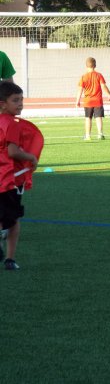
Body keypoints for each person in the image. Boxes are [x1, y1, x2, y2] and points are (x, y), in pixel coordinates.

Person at [0, 81, 39, 270]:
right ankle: (10, 258)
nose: (20, 104)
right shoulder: (12, 125)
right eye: (15, 100)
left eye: (22, 99)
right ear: (2, 104)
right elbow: (13, 152)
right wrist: (31, 156)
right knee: (13, 219)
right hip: (10, 178)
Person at [75, 57, 110, 140]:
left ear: (86, 66)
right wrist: (109, 94)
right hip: (98, 101)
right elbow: (103, 86)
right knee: (98, 117)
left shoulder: (83, 77)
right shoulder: (99, 75)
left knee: (88, 118)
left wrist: (77, 101)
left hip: (88, 101)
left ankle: (88, 136)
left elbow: (80, 89)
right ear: (95, 65)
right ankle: (100, 134)